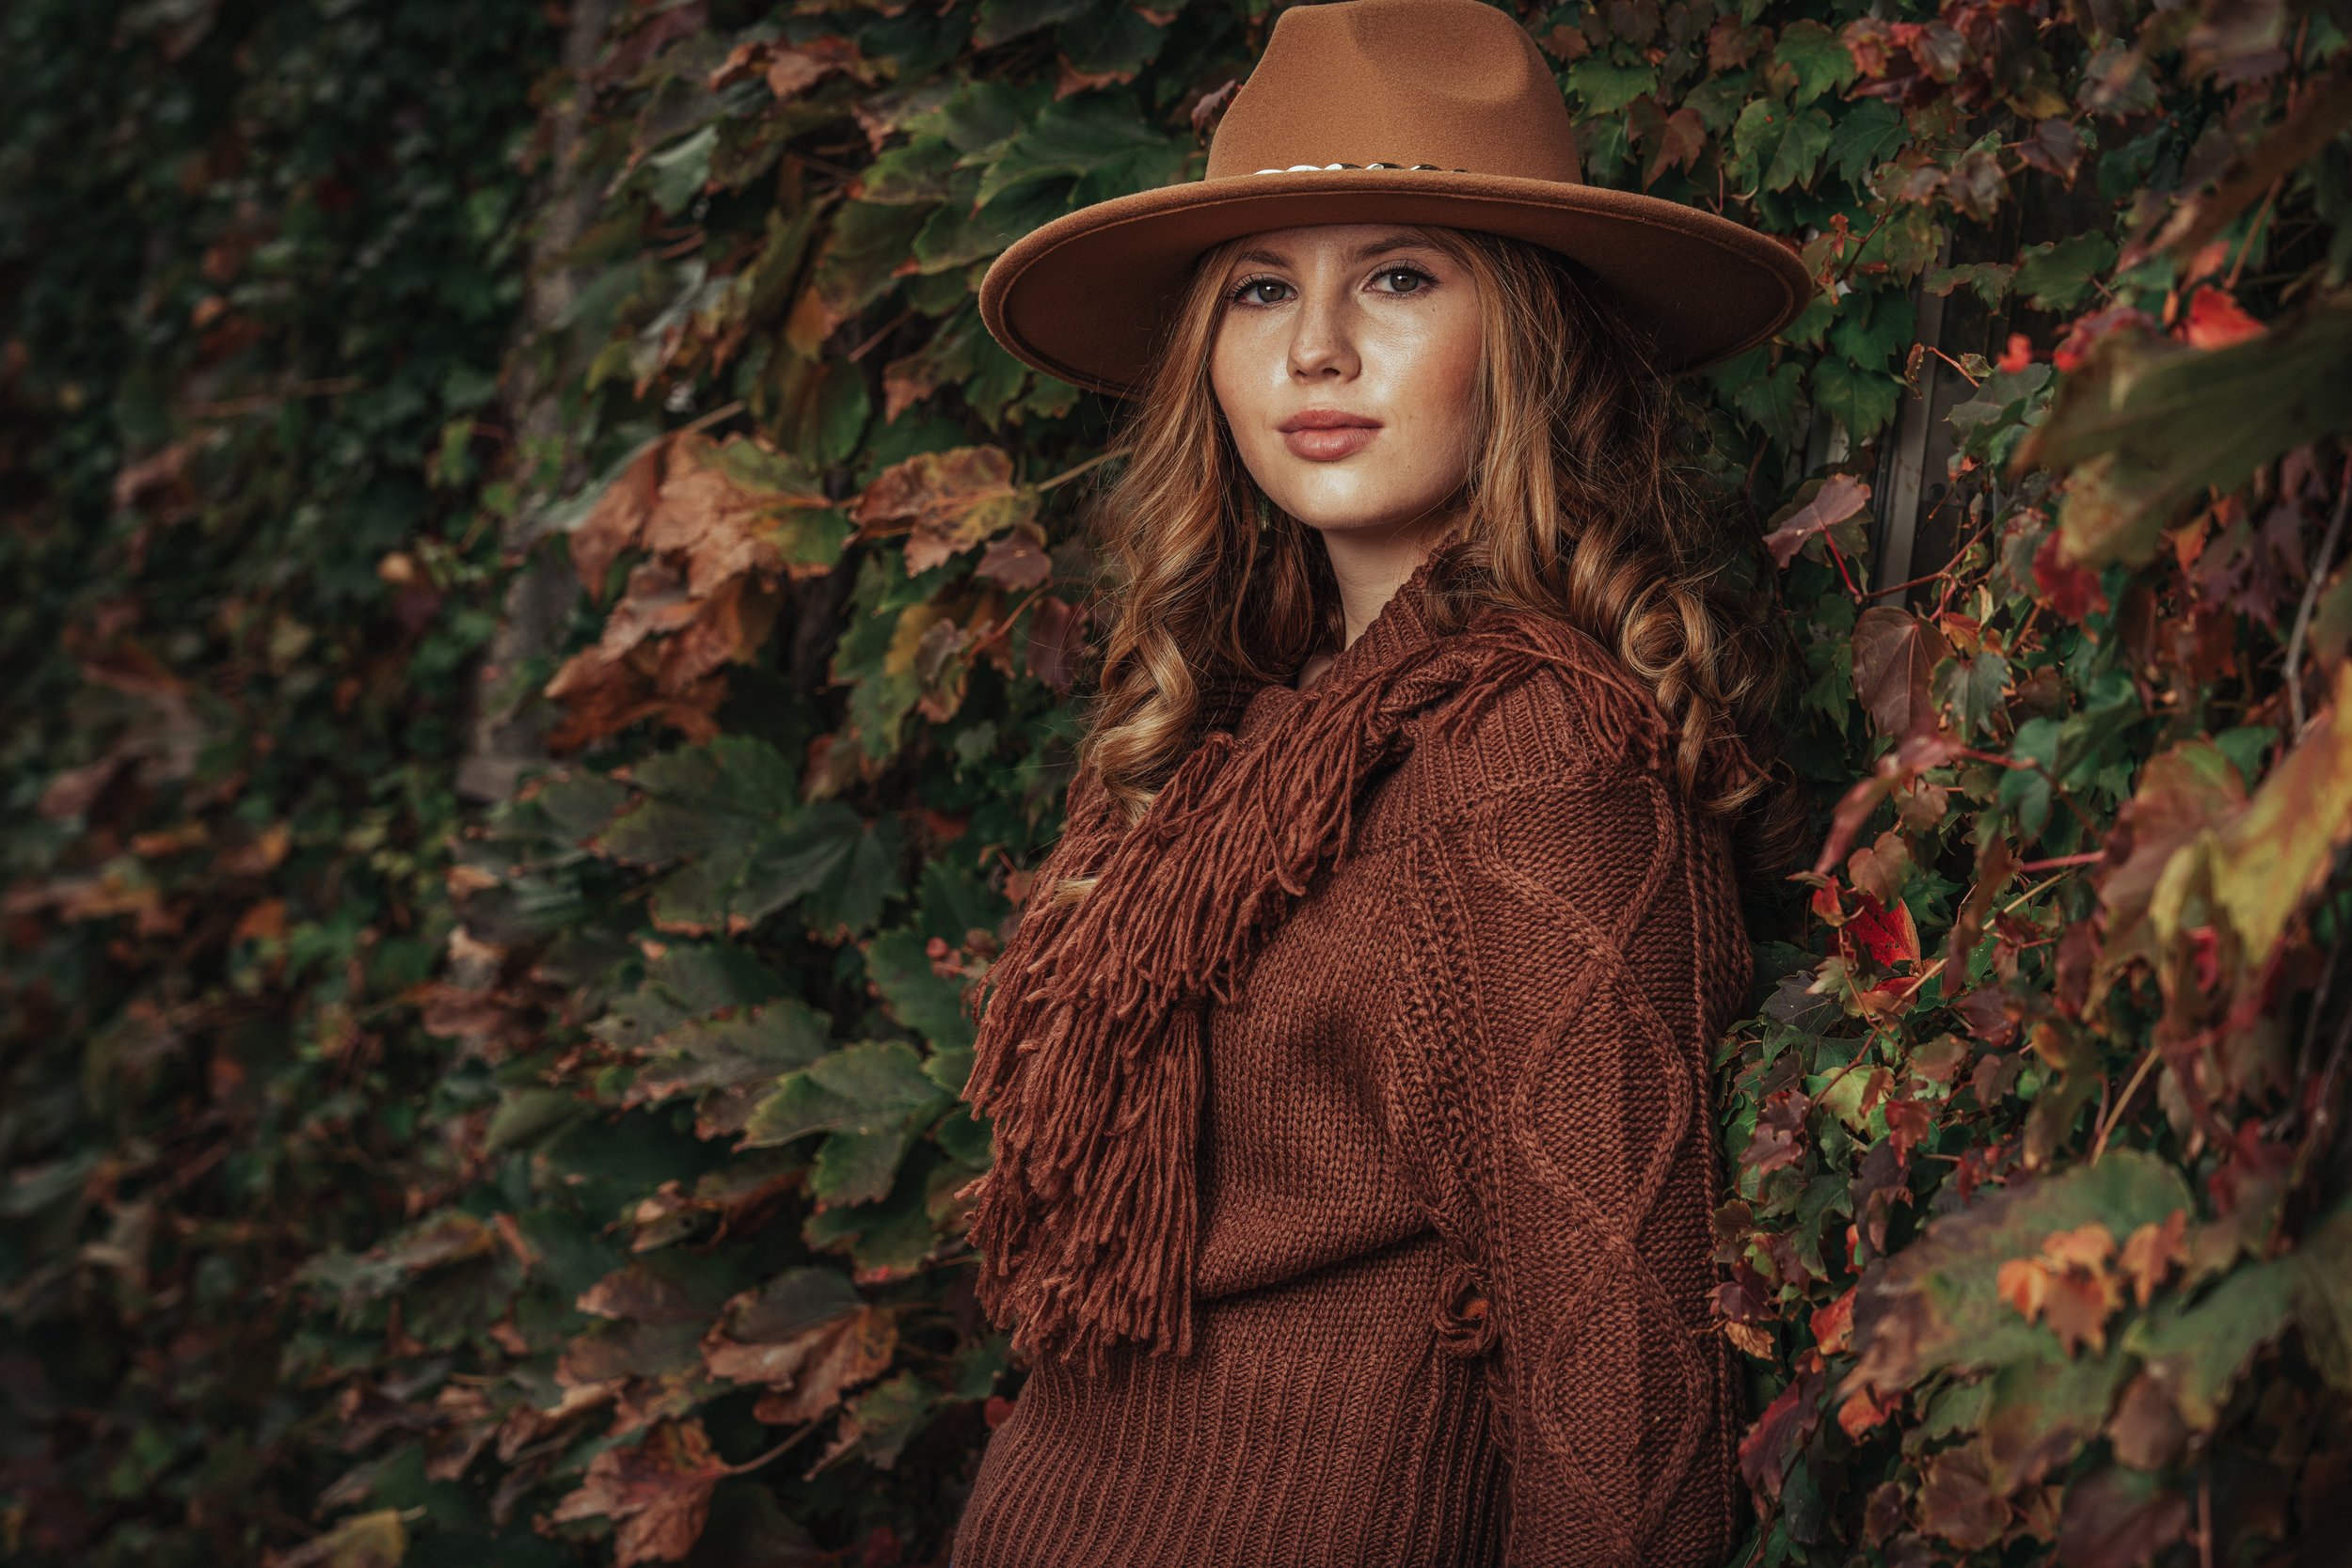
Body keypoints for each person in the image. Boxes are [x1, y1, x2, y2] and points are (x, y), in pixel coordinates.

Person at [949, 0, 1813, 1562]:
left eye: (1400, 277)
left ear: (1535, 335)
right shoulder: (1246, 736)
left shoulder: (1538, 757)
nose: (1316, 348)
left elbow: (1622, 1408)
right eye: (1262, 288)